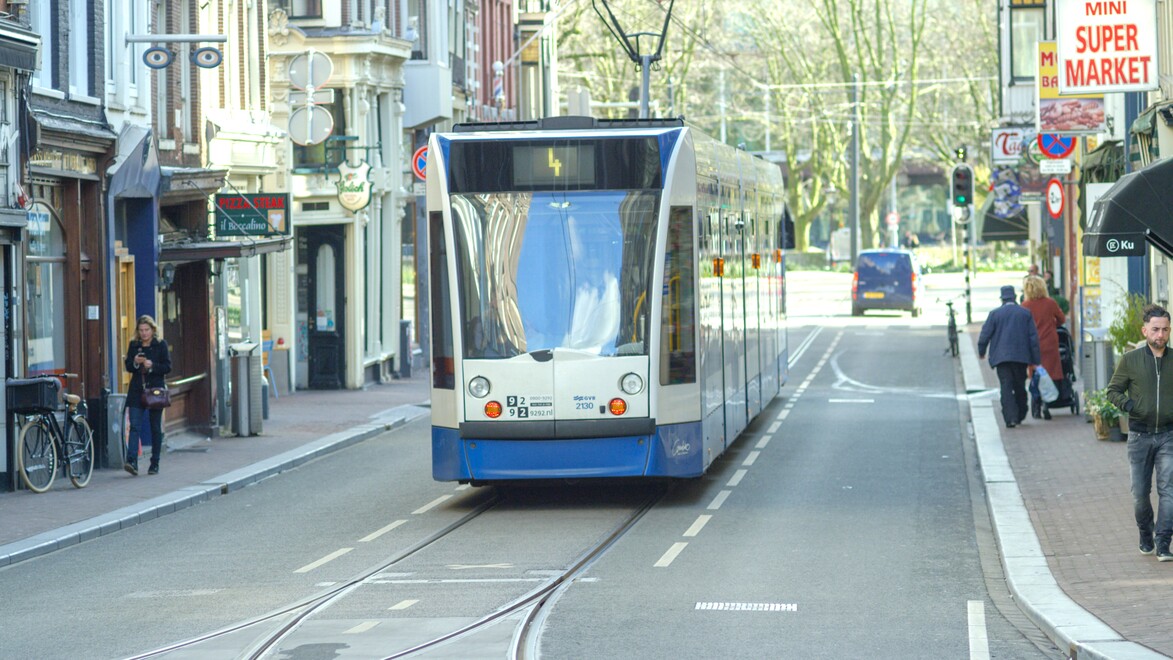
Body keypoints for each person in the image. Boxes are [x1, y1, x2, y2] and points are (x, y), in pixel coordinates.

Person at [1105, 304, 1173, 561]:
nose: (1160, 335)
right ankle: (1146, 533)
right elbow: (1113, 391)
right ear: (1145, 330)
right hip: (1139, 436)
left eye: (1165, 330)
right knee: (1140, 494)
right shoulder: (1131, 360)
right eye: (1155, 329)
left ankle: (1163, 542)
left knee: (1169, 490)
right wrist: (1131, 406)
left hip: (1169, 434)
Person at [977, 285, 1041, 429]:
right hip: (1021, 357)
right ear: (1015, 298)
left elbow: (985, 334)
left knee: (1005, 387)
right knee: (1019, 385)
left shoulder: (995, 314)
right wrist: (1036, 360)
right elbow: (1033, 338)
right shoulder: (1025, 314)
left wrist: (982, 351)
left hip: (1001, 358)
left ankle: (1010, 418)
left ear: (1002, 299)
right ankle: (1021, 413)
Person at [124, 314, 172, 476]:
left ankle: (155, 462)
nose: (144, 333)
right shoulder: (134, 345)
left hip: (155, 391)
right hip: (137, 390)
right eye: (141, 330)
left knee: (154, 427)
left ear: (153, 330)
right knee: (135, 426)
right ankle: (132, 461)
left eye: (147, 330)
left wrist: (152, 366)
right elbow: (128, 366)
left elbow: (167, 367)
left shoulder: (160, 345)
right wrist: (135, 363)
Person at [1021, 275, 1066, 420]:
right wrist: (1052, 325)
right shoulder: (1050, 303)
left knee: (1036, 375)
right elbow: (1062, 319)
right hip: (1050, 344)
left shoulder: (1025, 306)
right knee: (1050, 374)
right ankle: (1048, 403)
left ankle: (1036, 406)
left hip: (1033, 346)